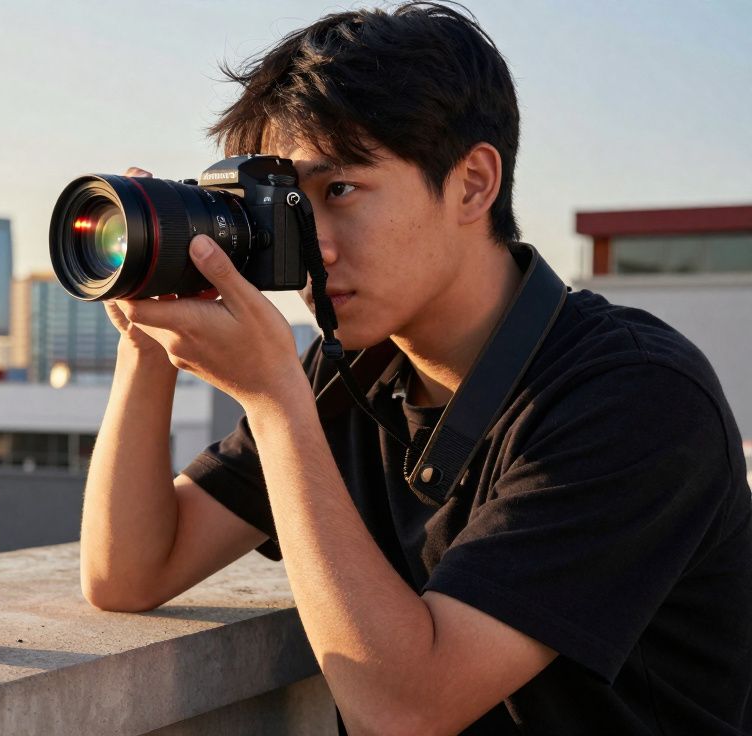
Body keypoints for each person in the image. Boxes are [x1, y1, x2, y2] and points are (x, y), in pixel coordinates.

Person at [77, 3, 752, 733]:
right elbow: (129, 572)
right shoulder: (352, 373)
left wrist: (277, 407)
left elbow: (403, 708)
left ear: (471, 184)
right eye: (291, 207)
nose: (314, 245)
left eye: (339, 192)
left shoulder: (635, 398)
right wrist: (148, 335)